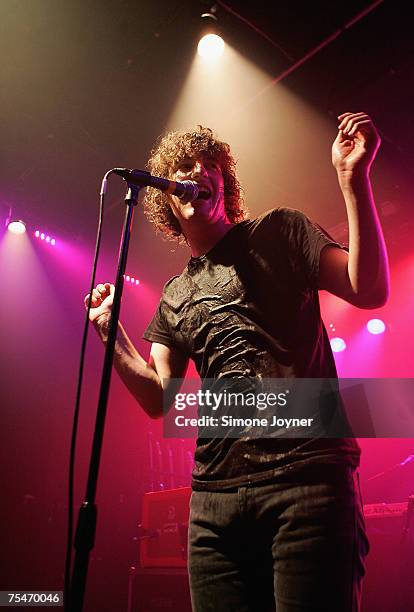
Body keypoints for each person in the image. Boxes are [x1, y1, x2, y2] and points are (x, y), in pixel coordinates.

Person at [85, 112, 389, 611]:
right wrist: (110, 333)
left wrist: (352, 180)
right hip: (214, 504)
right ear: (165, 195)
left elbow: (369, 289)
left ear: (223, 185)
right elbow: (158, 399)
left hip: (306, 482)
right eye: (187, 165)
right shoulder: (176, 295)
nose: (201, 171)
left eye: (213, 166)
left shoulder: (280, 232)